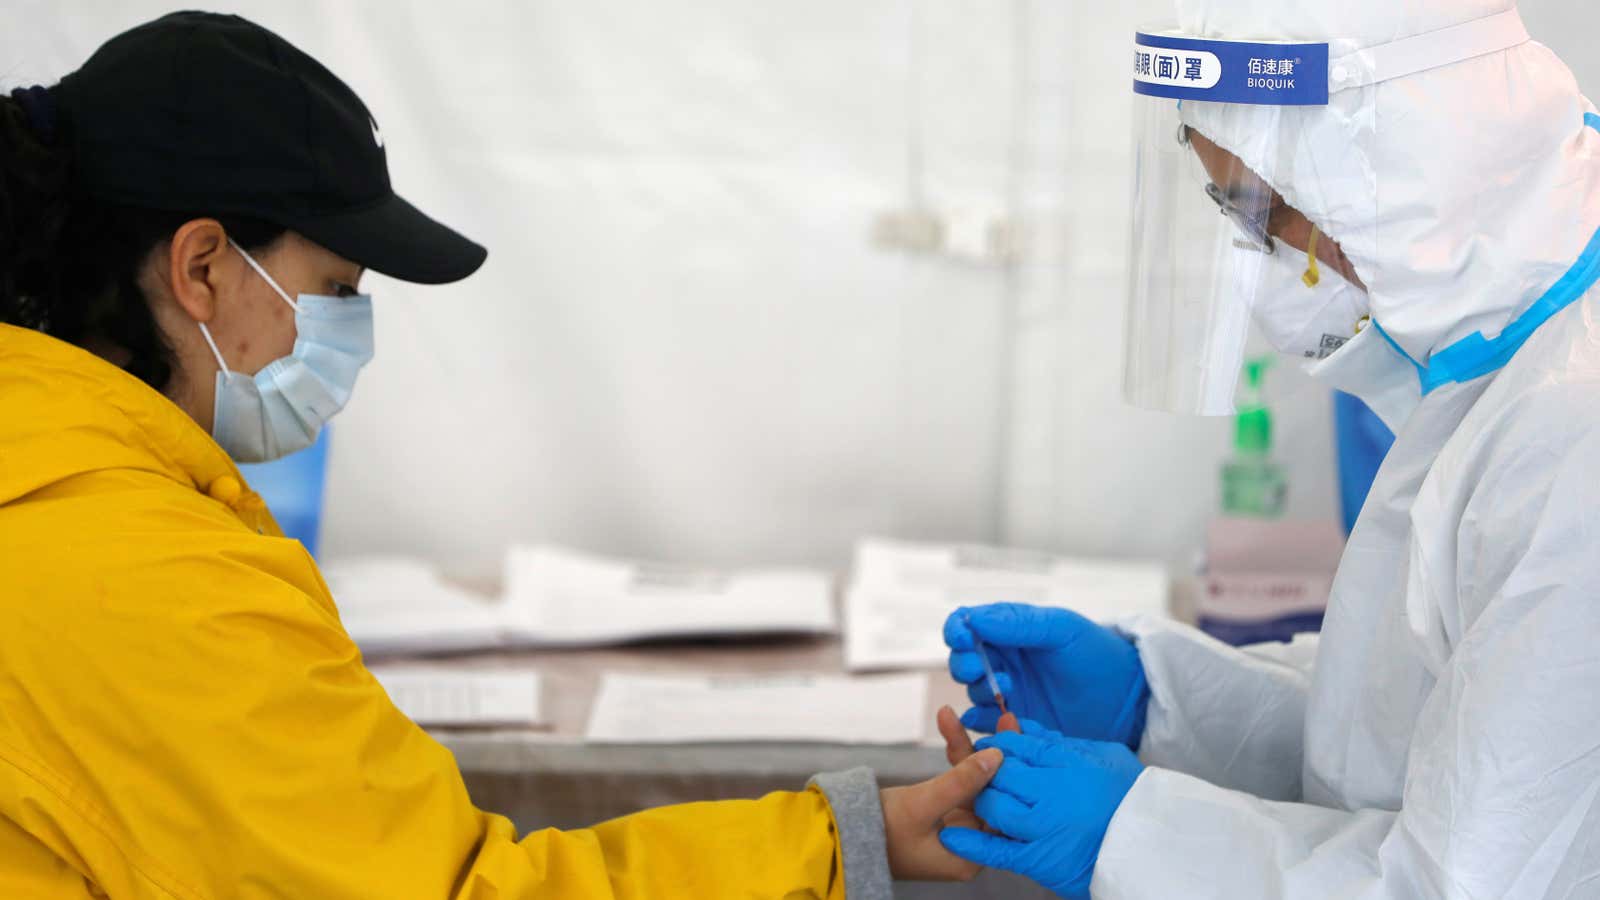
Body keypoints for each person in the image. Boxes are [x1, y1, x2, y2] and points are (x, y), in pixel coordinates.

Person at [0, 12, 1000, 898]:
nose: (351, 329)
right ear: (203, 267)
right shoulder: (147, 582)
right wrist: (842, 844)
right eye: (336, 287)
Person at [935, 1, 1600, 897]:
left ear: (1406, 167)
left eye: (1267, 207)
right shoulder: (1502, 355)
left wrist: (1133, 838)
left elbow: (1458, 883)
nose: (1261, 252)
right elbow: (1420, 727)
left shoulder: (1572, 435)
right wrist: (1159, 701)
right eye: (1226, 203)